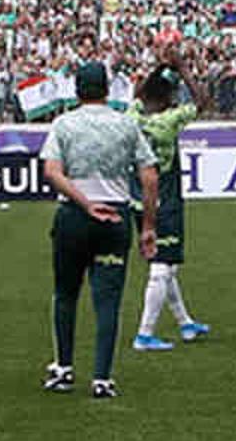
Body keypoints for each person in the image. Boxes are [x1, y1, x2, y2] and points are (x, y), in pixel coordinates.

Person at [36, 62, 159, 398]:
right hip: (116, 216)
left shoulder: (64, 124)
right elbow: (149, 176)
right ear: (107, 89)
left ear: (77, 90)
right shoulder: (126, 124)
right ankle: (102, 378)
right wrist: (147, 226)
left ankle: (64, 369)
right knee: (108, 300)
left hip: (74, 217)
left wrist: (84, 202)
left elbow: (51, 171)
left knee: (66, 294)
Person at [129, 43, 213, 351]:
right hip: (164, 200)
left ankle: (185, 323)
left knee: (167, 265)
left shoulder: (134, 115)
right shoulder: (167, 121)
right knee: (162, 266)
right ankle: (144, 333)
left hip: (138, 199)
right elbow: (203, 101)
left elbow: (139, 95)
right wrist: (182, 67)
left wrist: (158, 67)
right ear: (166, 99)